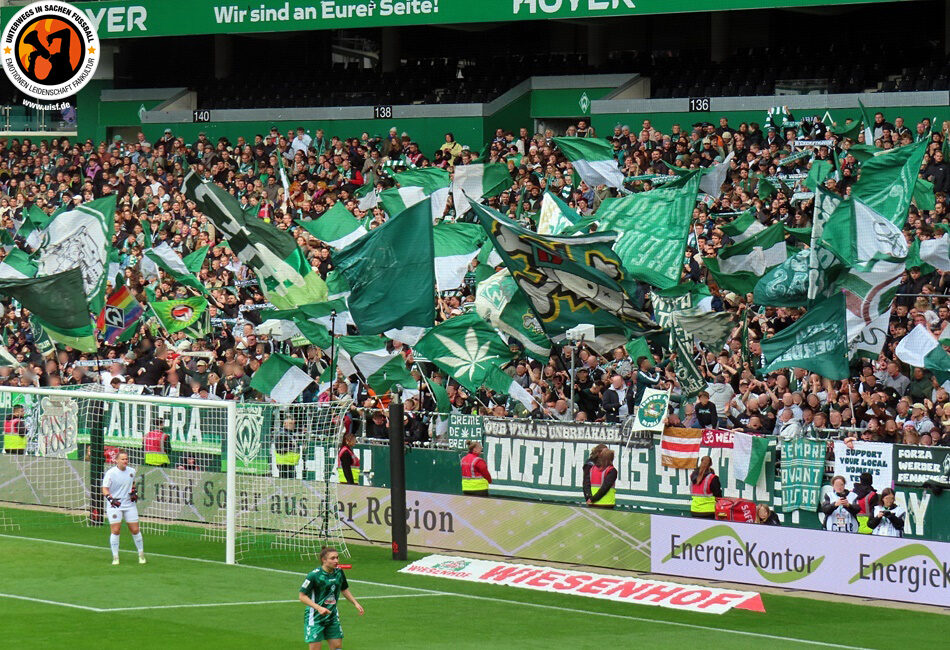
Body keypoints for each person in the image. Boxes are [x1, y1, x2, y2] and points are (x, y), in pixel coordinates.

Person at [299, 546, 364, 650]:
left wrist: (355, 603)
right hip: (315, 617)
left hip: (332, 616)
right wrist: (319, 608)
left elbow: (344, 589)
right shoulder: (314, 575)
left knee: (337, 646)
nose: (336, 561)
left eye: (337, 558)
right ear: (324, 560)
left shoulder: (339, 572)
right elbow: (302, 596)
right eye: (332, 558)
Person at [101, 451, 146, 565]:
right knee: (116, 530)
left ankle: (141, 554)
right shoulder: (111, 473)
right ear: (116, 460)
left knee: (135, 530)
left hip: (129, 505)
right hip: (115, 505)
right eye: (123, 459)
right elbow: (105, 488)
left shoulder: (131, 471)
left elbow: (132, 483)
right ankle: (115, 557)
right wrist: (111, 499)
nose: (125, 461)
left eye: (126, 459)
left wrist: (133, 492)